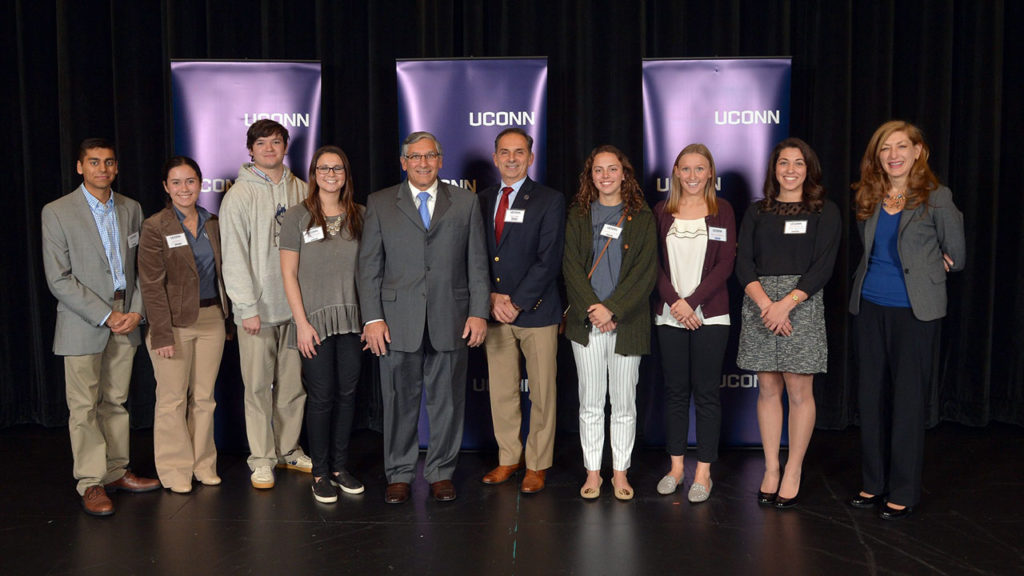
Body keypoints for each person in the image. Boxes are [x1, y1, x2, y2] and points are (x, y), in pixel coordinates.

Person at [358, 131, 489, 504]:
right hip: (396, 321)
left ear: (440, 160)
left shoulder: (464, 203)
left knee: (447, 400)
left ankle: (440, 472)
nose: (422, 163)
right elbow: (369, 268)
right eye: (415, 157)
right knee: (398, 400)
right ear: (404, 162)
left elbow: (477, 263)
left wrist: (479, 312)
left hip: (451, 316)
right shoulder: (381, 203)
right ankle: (398, 473)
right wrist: (373, 319)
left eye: (429, 156)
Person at [847, 120, 965, 520]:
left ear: (918, 151)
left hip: (916, 313)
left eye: (901, 146)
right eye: (885, 148)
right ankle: (872, 483)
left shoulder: (937, 197)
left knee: (908, 402)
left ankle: (903, 490)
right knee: (870, 398)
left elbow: (958, 253)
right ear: (877, 157)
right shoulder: (870, 195)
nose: (893, 155)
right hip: (869, 307)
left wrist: (934, 265)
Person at [41, 138, 160, 516]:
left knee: (115, 400)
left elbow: (144, 266)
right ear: (80, 167)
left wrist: (137, 312)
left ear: (116, 167)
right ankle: (91, 482)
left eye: (109, 162)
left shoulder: (131, 208)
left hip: (127, 314)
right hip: (83, 319)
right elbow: (58, 279)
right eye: (94, 162)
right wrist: (106, 315)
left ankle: (115, 471)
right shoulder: (57, 212)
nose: (102, 169)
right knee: (83, 406)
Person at [735, 137, 840, 509]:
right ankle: (771, 468)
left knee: (799, 390)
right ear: (774, 168)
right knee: (767, 387)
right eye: (783, 163)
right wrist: (767, 305)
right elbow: (743, 263)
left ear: (808, 169)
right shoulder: (756, 211)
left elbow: (824, 266)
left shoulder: (825, 211)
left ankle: (794, 469)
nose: (791, 170)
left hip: (802, 302)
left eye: (798, 163)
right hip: (760, 302)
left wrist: (787, 304)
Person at [220, 119, 311, 489]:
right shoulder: (239, 195)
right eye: (262, 143)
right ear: (251, 150)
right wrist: (246, 308)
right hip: (257, 311)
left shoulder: (303, 190)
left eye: (276, 142)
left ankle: (288, 448)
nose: (270, 148)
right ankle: (261, 457)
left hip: (295, 309)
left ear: (285, 147)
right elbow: (233, 256)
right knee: (257, 388)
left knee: (292, 387)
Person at [563, 145, 657, 501]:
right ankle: (592, 473)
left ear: (624, 173)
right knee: (589, 402)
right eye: (598, 170)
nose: (605, 176)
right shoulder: (578, 214)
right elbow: (570, 266)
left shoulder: (641, 216)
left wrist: (612, 310)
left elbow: (645, 273)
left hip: (626, 325)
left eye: (612, 169)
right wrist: (593, 308)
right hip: (586, 326)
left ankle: (619, 473)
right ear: (591, 176)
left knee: (623, 403)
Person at [479, 128, 565, 494]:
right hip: (494, 312)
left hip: (537, 312)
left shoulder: (549, 199)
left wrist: (515, 301)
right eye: (504, 152)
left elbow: (549, 261)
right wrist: (491, 299)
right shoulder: (480, 200)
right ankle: (509, 458)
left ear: (531, 158)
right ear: (495, 157)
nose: (511, 158)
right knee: (502, 391)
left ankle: (537, 463)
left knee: (542, 393)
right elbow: (474, 258)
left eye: (519, 152)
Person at [280, 146, 366, 504]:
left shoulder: (360, 215)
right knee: (321, 396)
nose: (331, 174)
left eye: (338, 168)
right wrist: (301, 323)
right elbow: (288, 274)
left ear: (346, 174)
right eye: (323, 168)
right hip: (313, 321)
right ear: (313, 174)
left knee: (347, 394)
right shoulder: (297, 217)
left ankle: (339, 467)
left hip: (352, 319)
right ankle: (319, 472)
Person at [139, 156, 230, 494]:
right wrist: (161, 332)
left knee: (205, 399)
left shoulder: (212, 222)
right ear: (166, 187)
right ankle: (175, 470)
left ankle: (203, 464)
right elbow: (151, 285)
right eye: (176, 182)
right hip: (173, 324)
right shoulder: (155, 226)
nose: (184, 188)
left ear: (200, 183)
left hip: (212, 320)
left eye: (190, 181)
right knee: (173, 400)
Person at [652, 144, 736, 503]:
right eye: (685, 169)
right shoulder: (661, 211)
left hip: (711, 315)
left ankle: (703, 471)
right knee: (674, 392)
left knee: (705, 393)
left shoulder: (724, 211)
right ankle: (675, 468)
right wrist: (676, 303)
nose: (691, 176)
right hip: (669, 316)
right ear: (675, 172)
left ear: (710, 174)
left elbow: (725, 265)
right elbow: (650, 264)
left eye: (699, 169)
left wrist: (693, 303)